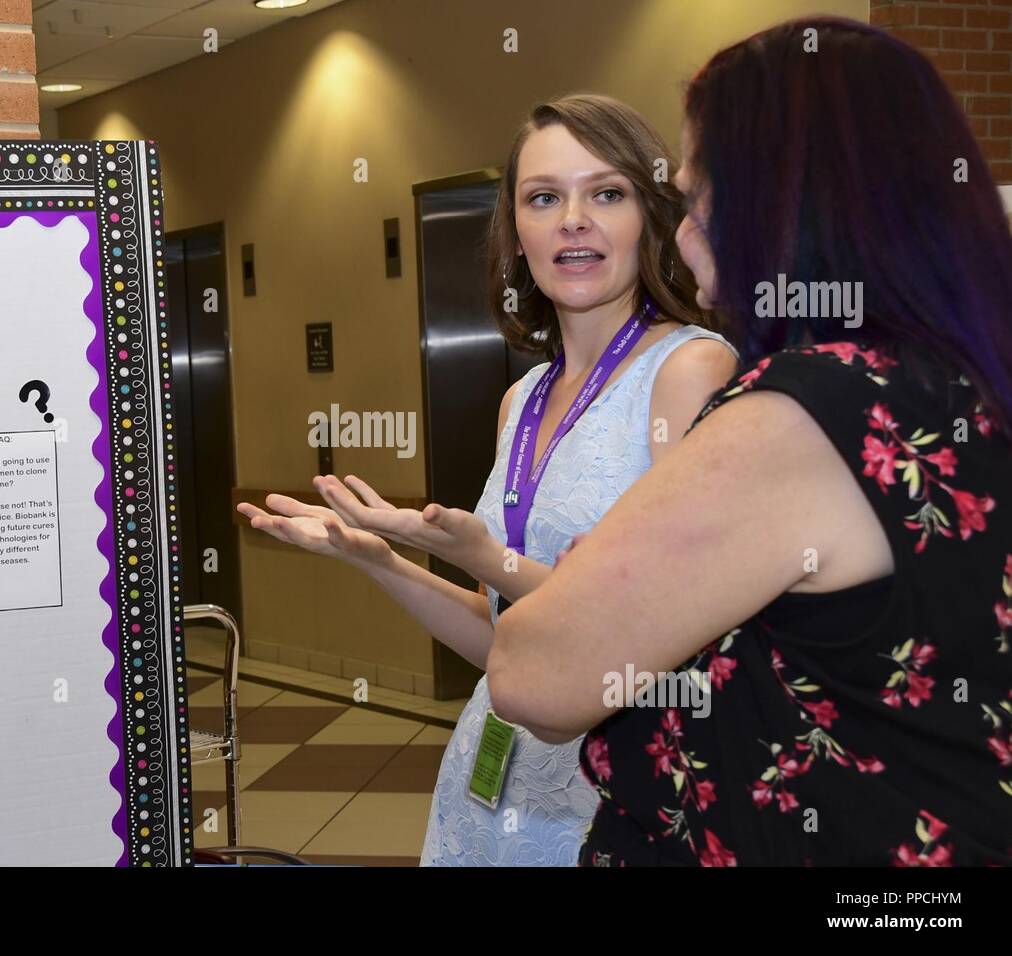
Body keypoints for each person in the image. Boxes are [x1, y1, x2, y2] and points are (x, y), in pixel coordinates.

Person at [486, 18, 1012, 866]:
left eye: (695, 201)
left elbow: (530, 674)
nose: (685, 234)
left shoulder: (802, 411)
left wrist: (580, 574)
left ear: (780, 203)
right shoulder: (961, 383)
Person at [237, 93, 737, 865]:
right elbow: (506, 640)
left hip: (612, 798)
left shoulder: (689, 370)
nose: (573, 219)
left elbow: (663, 627)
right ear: (518, 235)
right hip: (485, 785)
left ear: (652, 215)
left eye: (606, 192)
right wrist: (378, 560)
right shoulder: (522, 399)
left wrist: (480, 553)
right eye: (544, 198)